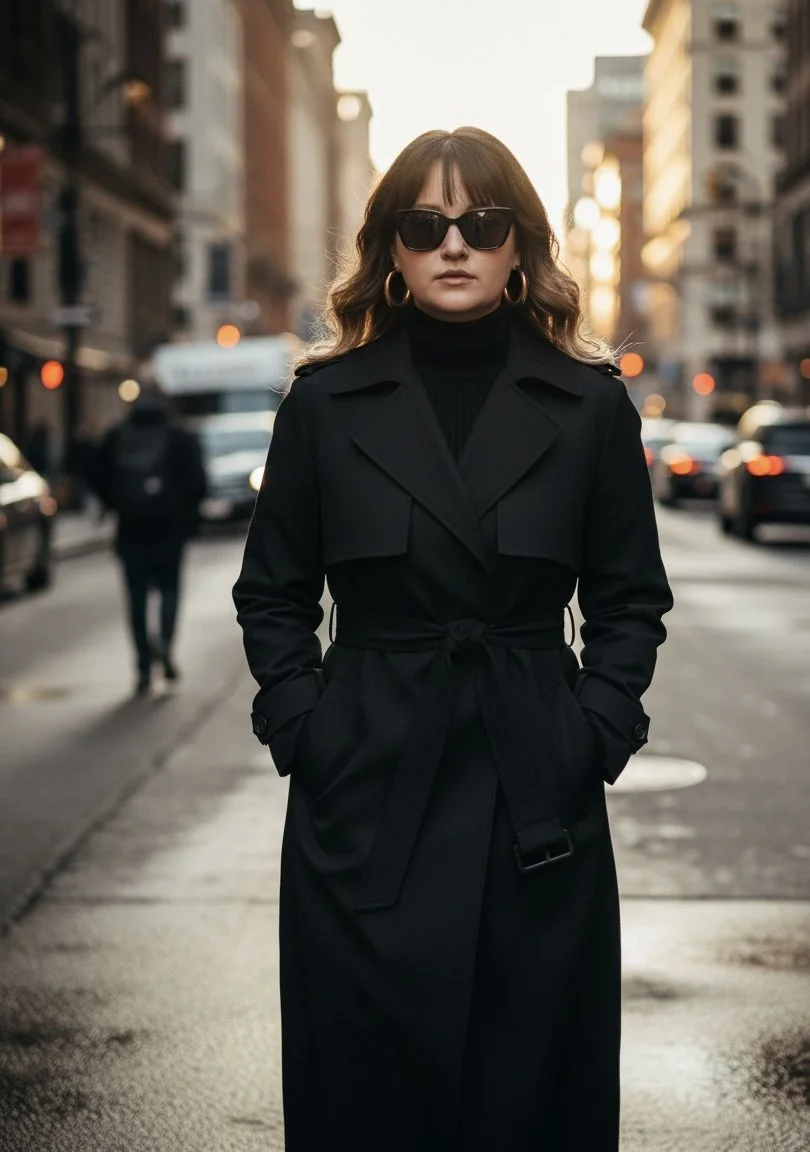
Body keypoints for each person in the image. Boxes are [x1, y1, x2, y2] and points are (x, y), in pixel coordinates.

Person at [233, 127, 673, 1151]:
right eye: (425, 225)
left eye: (482, 222)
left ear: (520, 245)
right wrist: (308, 726)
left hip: (537, 792)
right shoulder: (325, 403)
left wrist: (592, 734)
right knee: (369, 1096)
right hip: (366, 790)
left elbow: (629, 600)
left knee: (531, 1094)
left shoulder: (591, 404)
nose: (455, 246)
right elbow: (272, 595)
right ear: (392, 249)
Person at [93, 387, 206, 694]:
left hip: (131, 531)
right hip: (169, 531)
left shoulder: (117, 436)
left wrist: (117, 506)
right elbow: (198, 481)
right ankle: (166, 644)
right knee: (170, 591)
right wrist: (186, 516)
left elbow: (98, 477)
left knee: (137, 599)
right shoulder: (179, 437)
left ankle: (143, 664)